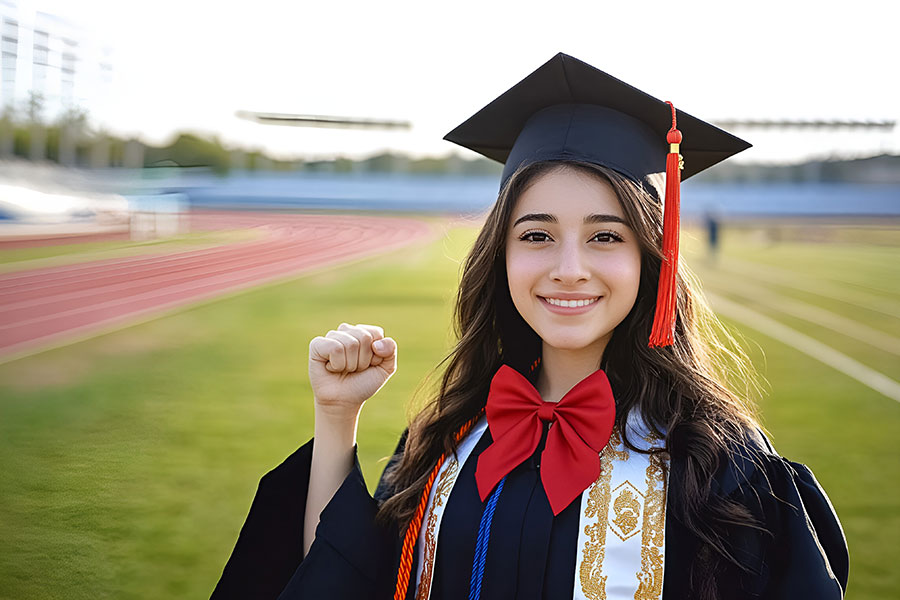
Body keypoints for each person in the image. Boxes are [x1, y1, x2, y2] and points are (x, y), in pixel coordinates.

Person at [211, 54, 848, 600]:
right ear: (502, 256)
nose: (568, 269)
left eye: (605, 237)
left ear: (650, 258)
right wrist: (336, 416)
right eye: (537, 236)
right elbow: (340, 581)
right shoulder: (447, 440)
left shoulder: (717, 464)